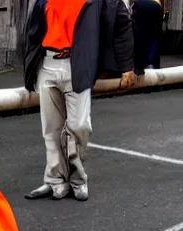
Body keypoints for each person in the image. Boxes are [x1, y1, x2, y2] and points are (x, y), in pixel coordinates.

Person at [22, 0, 137, 201]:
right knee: (51, 129)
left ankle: (78, 179)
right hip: (47, 63)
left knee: (79, 126)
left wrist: (127, 66)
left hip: (79, 64)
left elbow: (122, 24)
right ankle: (55, 181)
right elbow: (34, 29)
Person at [131, 0, 165, 74]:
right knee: (154, 34)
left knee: (139, 34)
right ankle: (152, 64)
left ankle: (140, 65)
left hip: (141, 5)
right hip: (157, 6)